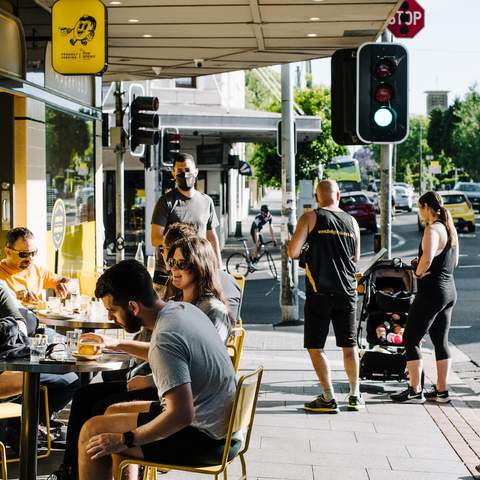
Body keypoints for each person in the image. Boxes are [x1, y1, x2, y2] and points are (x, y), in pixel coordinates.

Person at [49, 230, 238, 480]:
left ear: (133, 307)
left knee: (93, 432)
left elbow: (182, 414)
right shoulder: (180, 310)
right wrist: (114, 344)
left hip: (204, 439)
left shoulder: (166, 336)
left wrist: (125, 439)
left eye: (112, 310)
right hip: (221, 427)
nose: (109, 318)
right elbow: (169, 357)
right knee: (109, 413)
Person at [288, 179, 362, 413]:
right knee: (349, 345)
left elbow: (293, 251)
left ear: (318, 197)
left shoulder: (310, 217)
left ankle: (328, 397)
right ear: (338, 195)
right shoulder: (353, 222)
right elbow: (355, 258)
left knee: (316, 346)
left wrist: (312, 247)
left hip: (319, 291)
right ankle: (355, 394)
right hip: (347, 291)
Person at [391, 191, 458, 404]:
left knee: (411, 338)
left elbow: (427, 259)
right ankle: (441, 391)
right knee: (441, 341)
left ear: (427, 207)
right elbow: (451, 262)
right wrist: (421, 262)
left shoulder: (431, 229)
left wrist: (418, 272)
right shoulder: (448, 228)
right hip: (448, 291)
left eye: (420, 208)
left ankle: (414, 389)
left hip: (431, 292)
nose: (420, 213)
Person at [150, 153, 222, 287]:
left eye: (188, 170)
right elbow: (155, 238)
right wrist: (184, 242)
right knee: (169, 308)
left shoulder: (206, 201)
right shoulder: (165, 202)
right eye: (180, 171)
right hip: (170, 273)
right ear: (173, 173)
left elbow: (211, 237)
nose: (184, 174)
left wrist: (219, 268)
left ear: (196, 171)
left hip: (199, 269)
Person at [166, 236, 233, 343]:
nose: (174, 268)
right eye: (172, 262)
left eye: (182, 263)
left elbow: (208, 353)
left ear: (200, 267)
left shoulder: (213, 310)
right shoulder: (173, 303)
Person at [0, 227, 70, 304]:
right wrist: (15, 296)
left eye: (33, 253)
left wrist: (64, 284)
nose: (30, 258)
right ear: (8, 252)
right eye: (24, 254)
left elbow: (63, 280)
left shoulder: (37, 270)